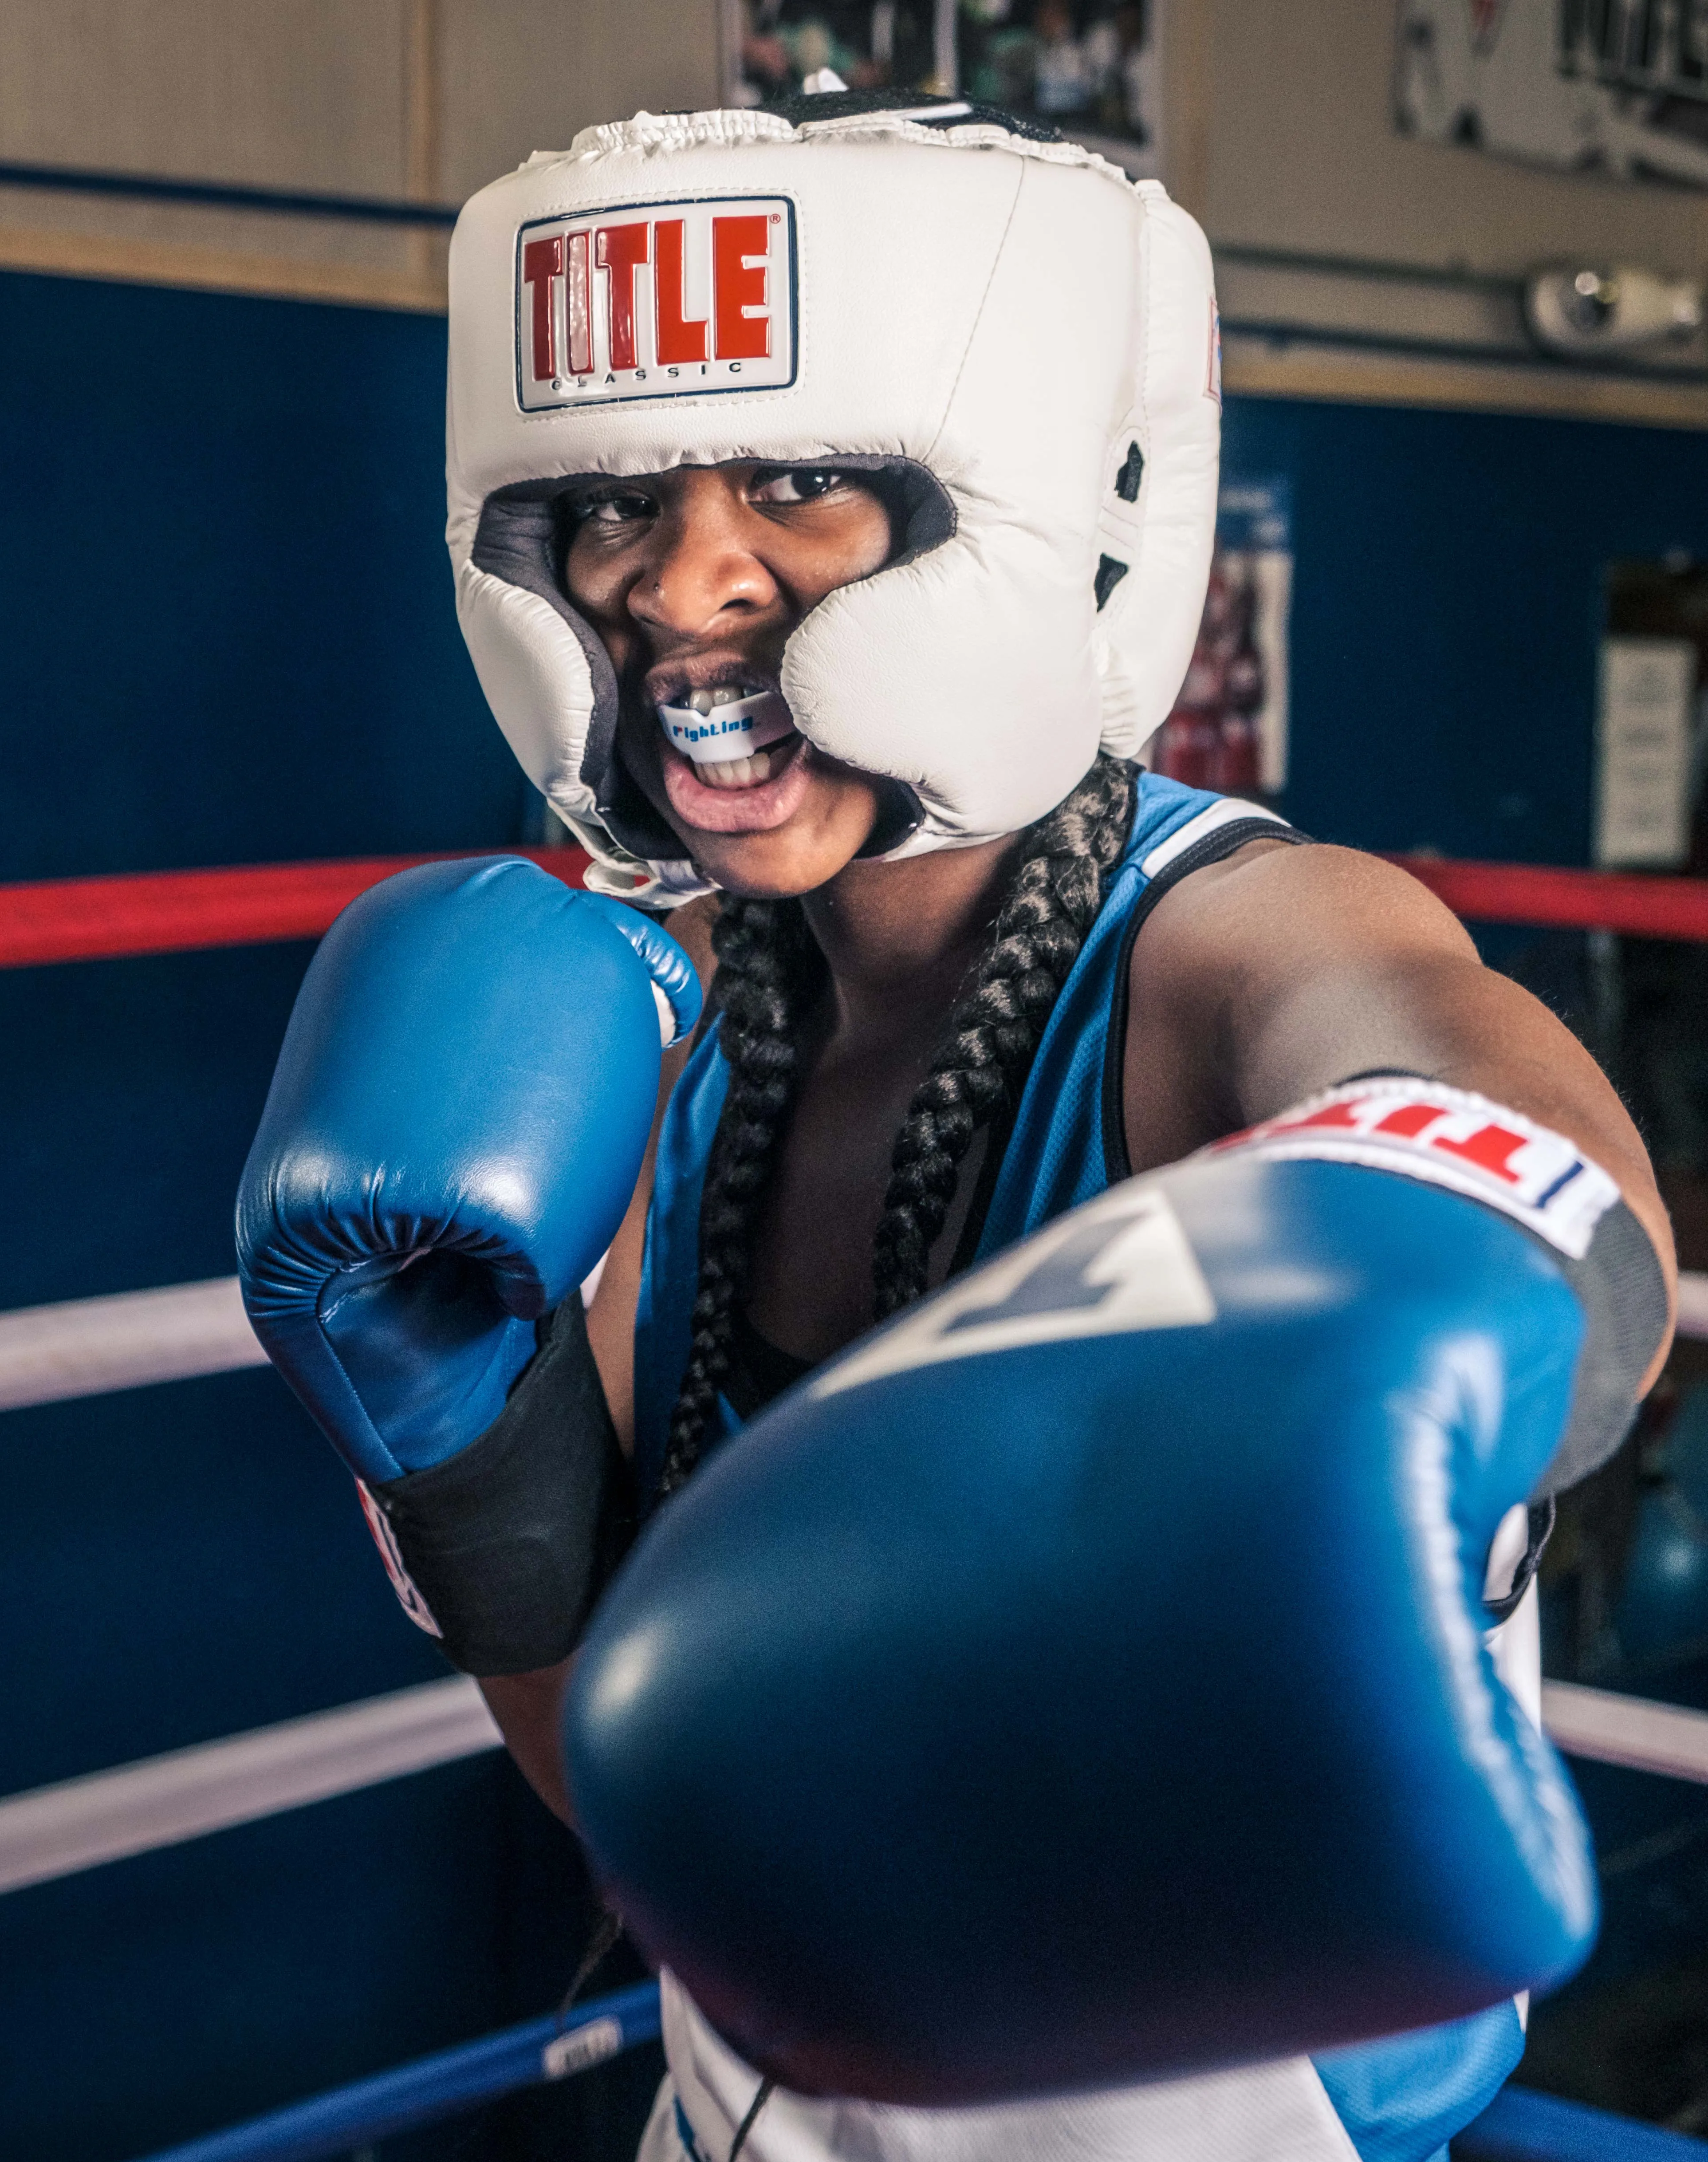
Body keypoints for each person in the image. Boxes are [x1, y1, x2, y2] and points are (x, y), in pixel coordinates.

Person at [238, 91, 1675, 2162]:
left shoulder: (1232, 945)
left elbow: (1527, 1159)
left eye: (804, 483)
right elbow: (636, 1800)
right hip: (765, 2093)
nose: (680, 581)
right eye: (619, 504)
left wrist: (1426, 1266)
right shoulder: (628, 1023)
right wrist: (471, 1454)